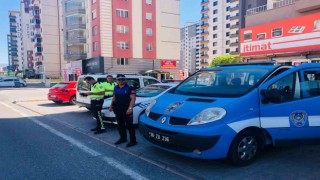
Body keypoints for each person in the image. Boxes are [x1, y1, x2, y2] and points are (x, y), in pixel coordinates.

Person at [109, 74, 137, 147]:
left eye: (123, 79)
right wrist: (111, 105)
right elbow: (114, 97)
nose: (121, 81)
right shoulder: (115, 87)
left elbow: (133, 98)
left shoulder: (130, 88)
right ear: (116, 80)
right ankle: (123, 138)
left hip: (126, 109)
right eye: (119, 79)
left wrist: (130, 108)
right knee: (120, 124)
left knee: (129, 125)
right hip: (118, 108)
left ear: (125, 80)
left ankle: (133, 141)